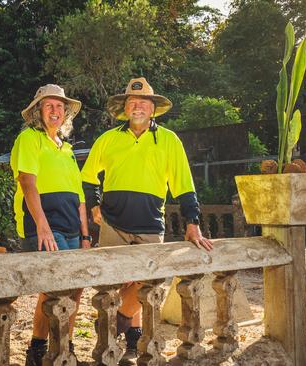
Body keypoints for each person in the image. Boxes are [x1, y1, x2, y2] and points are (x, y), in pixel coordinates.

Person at [81, 77, 213, 365]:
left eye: (143, 102)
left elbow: (184, 185)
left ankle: (121, 321)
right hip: (113, 224)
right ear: (125, 108)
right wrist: (93, 205)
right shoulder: (107, 139)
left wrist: (193, 222)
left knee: (146, 282)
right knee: (112, 285)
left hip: (151, 225)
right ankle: (127, 342)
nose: (137, 106)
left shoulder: (169, 140)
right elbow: (88, 177)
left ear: (153, 109)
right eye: (132, 102)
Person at [10, 84, 92, 366]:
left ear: (65, 112)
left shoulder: (67, 149)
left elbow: (79, 196)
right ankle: (38, 348)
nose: (55, 110)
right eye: (49, 106)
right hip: (44, 226)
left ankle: (63, 343)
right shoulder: (29, 139)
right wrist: (42, 226)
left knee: (77, 287)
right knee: (55, 287)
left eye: (59, 106)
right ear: (38, 112)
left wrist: (85, 235)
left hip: (72, 228)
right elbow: (27, 183)